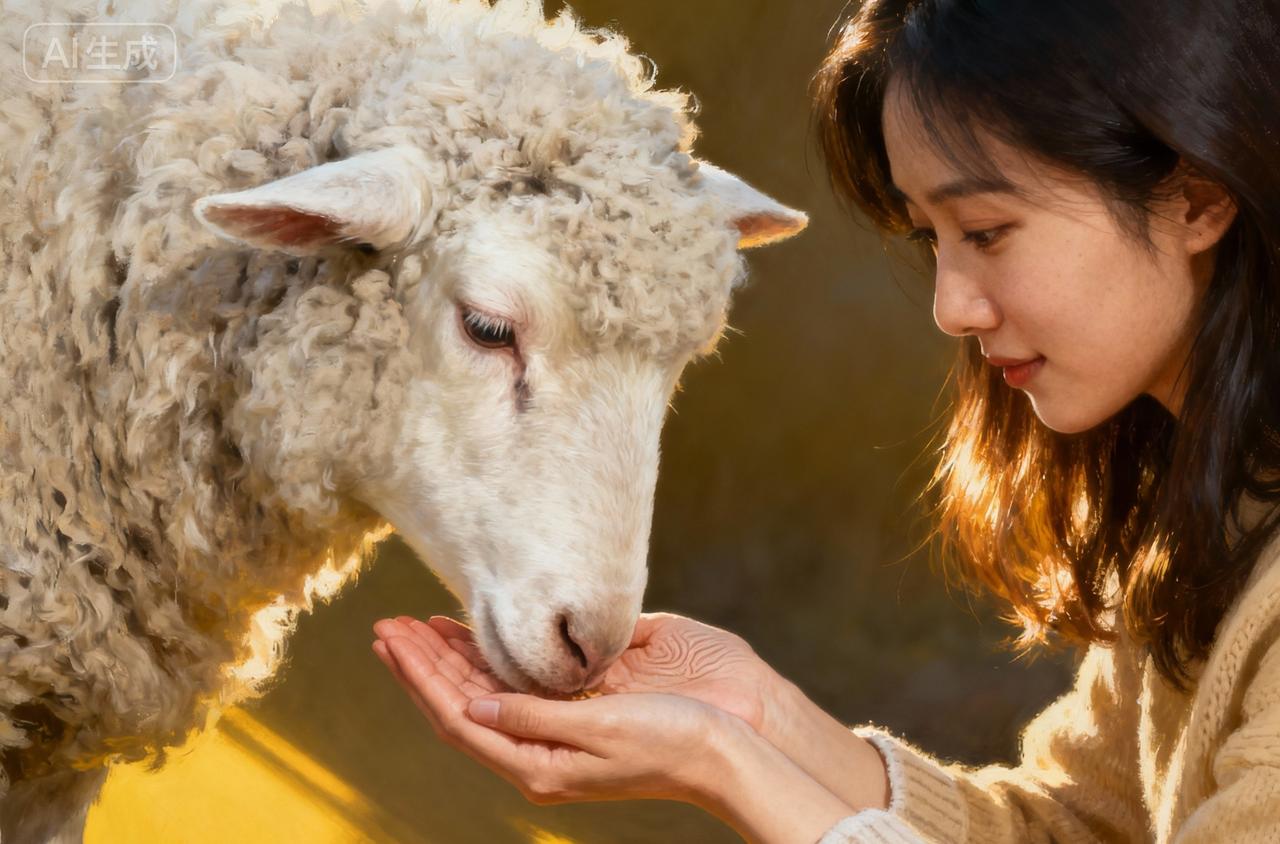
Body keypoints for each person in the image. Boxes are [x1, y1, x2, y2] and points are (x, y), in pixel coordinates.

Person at [371, 0, 1280, 840]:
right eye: (933, 238)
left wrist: (722, 764)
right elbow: (1081, 830)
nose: (951, 308)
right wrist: (758, 716)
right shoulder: (1199, 510)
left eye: (989, 231)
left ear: (1195, 198)